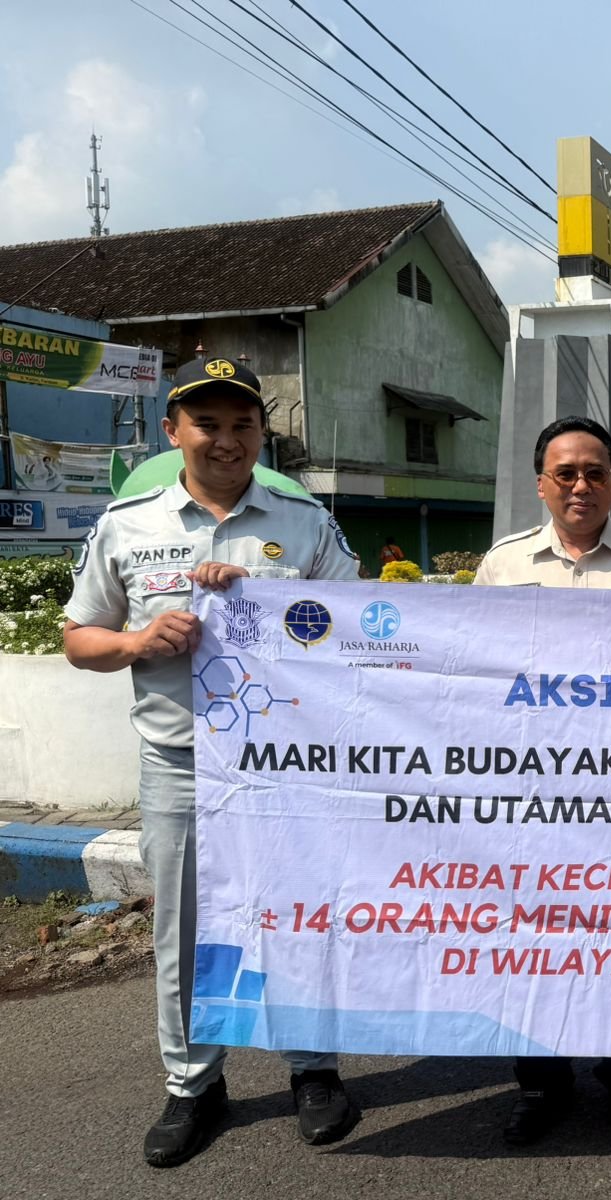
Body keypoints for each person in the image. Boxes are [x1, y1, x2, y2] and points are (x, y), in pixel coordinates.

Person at [62, 355, 362, 1168]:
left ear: (261, 432)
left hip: (286, 766)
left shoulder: (302, 523)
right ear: (173, 432)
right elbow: (78, 636)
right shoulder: (127, 524)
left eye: (243, 424)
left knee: (298, 915)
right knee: (186, 933)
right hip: (180, 764)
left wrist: (268, 606)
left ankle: (314, 1068)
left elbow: (360, 627)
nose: (226, 440)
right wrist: (137, 639)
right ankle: (194, 1085)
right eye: (208, 424)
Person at [474, 415, 611, 1144]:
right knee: (532, 940)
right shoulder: (503, 568)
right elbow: (470, 675)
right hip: (532, 798)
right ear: (540, 483)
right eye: (565, 472)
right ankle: (539, 1082)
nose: (580, 485)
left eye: (595, 472)